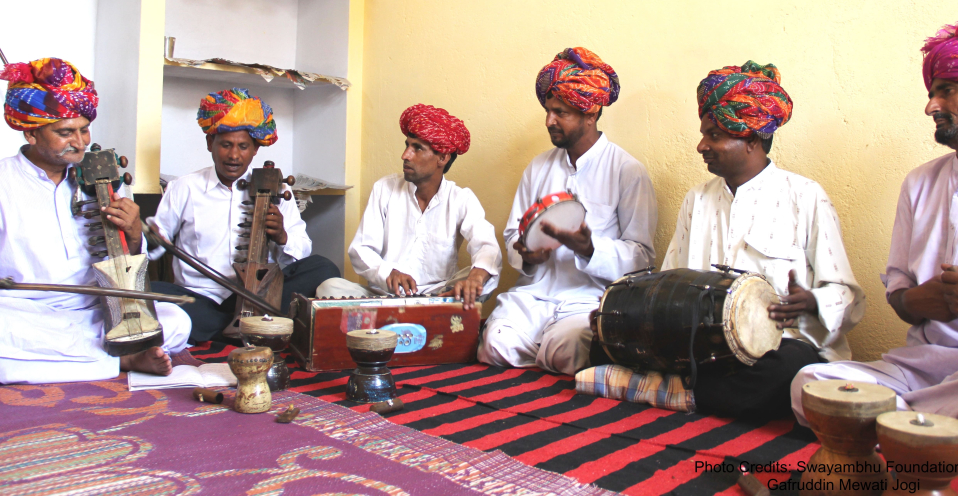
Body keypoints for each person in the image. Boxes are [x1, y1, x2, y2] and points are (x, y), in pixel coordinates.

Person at [792, 12, 958, 429]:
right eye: (931, 92)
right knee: (810, 380)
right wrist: (915, 302)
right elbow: (900, 296)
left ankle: (899, 426)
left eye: (947, 90)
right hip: (922, 367)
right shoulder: (920, 182)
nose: (930, 106)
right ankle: (933, 428)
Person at [661, 61, 864, 420]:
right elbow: (670, 280)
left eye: (714, 135)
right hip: (708, 350)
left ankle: (679, 393)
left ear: (751, 139)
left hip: (781, 349)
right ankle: (696, 392)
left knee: (791, 370)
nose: (701, 145)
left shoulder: (805, 196)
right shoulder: (697, 199)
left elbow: (847, 294)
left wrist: (812, 302)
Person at [0, 58, 191, 383]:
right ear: (31, 133)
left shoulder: (105, 179)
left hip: (99, 307)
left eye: (84, 129)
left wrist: (133, 232)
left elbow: (132, 262)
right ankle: (120, 359)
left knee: (176, 320)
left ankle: (60, 363)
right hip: (24, 311)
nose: (81, 142)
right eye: (65, 132)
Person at [478, 48, 657, 375]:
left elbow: (642, 258)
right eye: (548, 111)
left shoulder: (627, 171)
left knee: (568, 347)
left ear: (590, 113)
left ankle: (545, 363)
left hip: (589, 299)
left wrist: (590, 249)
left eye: (560, 112)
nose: (549, 121)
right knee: (493, 344)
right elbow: (512, 232)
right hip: (535, 294)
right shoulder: (538, 167)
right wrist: (526, 255)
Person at [150, 88, 340, 342]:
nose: (234, 155)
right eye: (226, 145)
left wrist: (282, 236)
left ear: (255, 150)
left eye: (243, 146)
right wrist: (145, 237)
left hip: (262, 295)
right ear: (210, 144)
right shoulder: (183, 188)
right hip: (201, 298)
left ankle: (231, 326)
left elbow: (302, 250)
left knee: (323, 267)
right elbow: (155, 245)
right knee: (147, 291)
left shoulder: (278, 188)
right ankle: (246, 326)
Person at [319, 104, 502, 307]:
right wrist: (390, 274)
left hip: (438, 296)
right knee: (329, 288)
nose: (405, 155)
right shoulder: (385, 189)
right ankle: (415, 319)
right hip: (386, 297)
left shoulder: (460, 199)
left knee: (481, 280)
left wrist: (475, 278)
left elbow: (487, 245)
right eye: (407, 145)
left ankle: (401, 321)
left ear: (442, 157)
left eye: (417, 148)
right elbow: (361, 250)